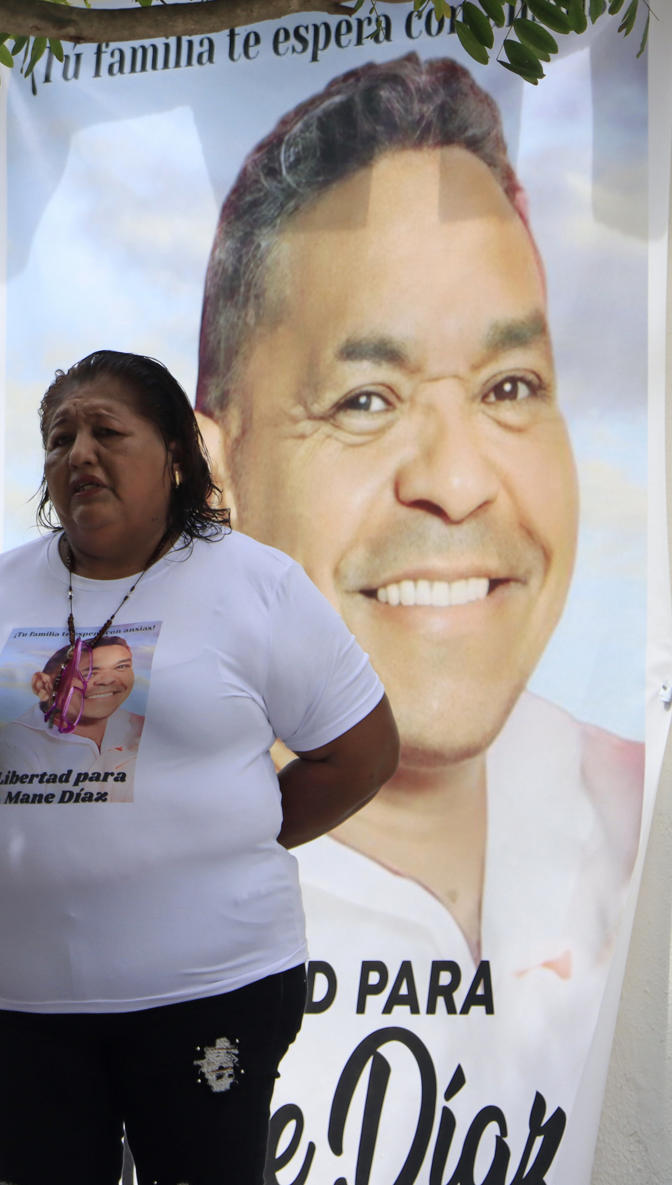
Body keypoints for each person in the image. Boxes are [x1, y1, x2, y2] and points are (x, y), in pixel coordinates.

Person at [193, 55, 644, 1165]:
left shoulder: (639, 825)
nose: (457, 478)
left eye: (508, 388)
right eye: (365, 399)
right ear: (217, 471)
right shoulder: (146, 877)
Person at [0, 349, 398, 1183]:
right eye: (60, 437)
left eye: (108, 430)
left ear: (175, 454)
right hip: (14, 996)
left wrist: (228, 831)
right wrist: (34, 818)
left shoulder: (253, 583)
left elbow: (359, 750)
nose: (80, 454)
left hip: (206, 990)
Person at [0, 635, 144, 785]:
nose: (109, 680)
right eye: (88, 673)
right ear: (42, 685)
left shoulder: (138, 726)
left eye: (121, 667)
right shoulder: (16, 743)